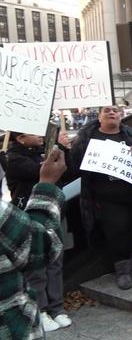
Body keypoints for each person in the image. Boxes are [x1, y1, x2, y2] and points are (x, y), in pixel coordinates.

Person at [67, 105, 132, 290]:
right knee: (117, 231)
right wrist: (66, 147)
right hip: (106, 198)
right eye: (107, 111)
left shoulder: (131, 136)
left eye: (115, 111)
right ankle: (122, 269)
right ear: (99, 117)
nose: (112, 113)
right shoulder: (87, 140)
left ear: (121, 117)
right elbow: (75, 167)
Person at [5, 133, 71, 332]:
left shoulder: (42, 152)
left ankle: (56, 307)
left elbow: (67, 172)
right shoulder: (12, 158)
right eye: (34, 133)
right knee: (37, 268)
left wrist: (65, 151)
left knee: (56, 262)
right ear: (21, 138)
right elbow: (40, 172)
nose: (41, 136)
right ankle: (40, 309)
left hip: (54, 214)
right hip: (28, 216)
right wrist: (58, 147)